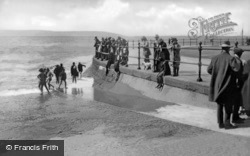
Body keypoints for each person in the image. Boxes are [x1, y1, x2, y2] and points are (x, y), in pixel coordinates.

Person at [207, 41, 241, 129]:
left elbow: (209, 70)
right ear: (228, 48)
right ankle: (227, 123)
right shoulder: (231, 58)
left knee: (219, 104)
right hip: (228, 84)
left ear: (221, 48)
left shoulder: (215, 58)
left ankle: (220, 123)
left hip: (217, 84)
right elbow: (236, 69)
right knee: (228, 104)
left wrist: (217, 75)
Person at [232, 47, 246, 123]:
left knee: (235, 101)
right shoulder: (238, 61)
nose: (242, 54)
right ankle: (235, 118)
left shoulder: (232, 59)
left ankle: (235, 116)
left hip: (233, 82)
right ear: (239, 53)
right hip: (238, 83)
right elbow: (239, 74)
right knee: (237, 100)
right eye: (241, 53)